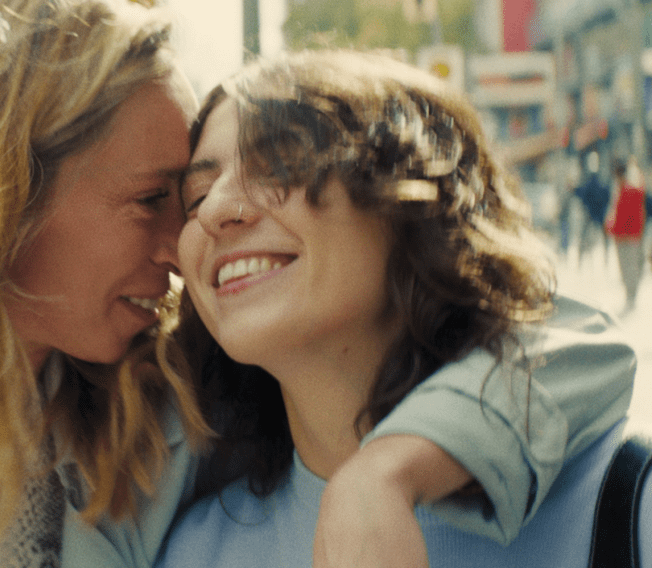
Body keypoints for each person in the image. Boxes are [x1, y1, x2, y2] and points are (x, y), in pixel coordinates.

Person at [0, 2, 633, 567]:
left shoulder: (162, 415)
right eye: (160, 198)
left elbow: (553, 339)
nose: (185, 240)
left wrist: (388, 473)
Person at [156, 49, 643, 567]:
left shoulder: (625, 509)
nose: (215, 210)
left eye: (279, 165)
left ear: (413, 204)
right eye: (196, 196)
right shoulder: (190, 553)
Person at [605, 156, 647, 313]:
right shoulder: (629, 190)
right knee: (629, 266)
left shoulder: (625, 190)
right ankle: (631, 295)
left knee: (627, 267)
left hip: (625, 235)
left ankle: (631, 295)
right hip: (628, 235)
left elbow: (617, 213)